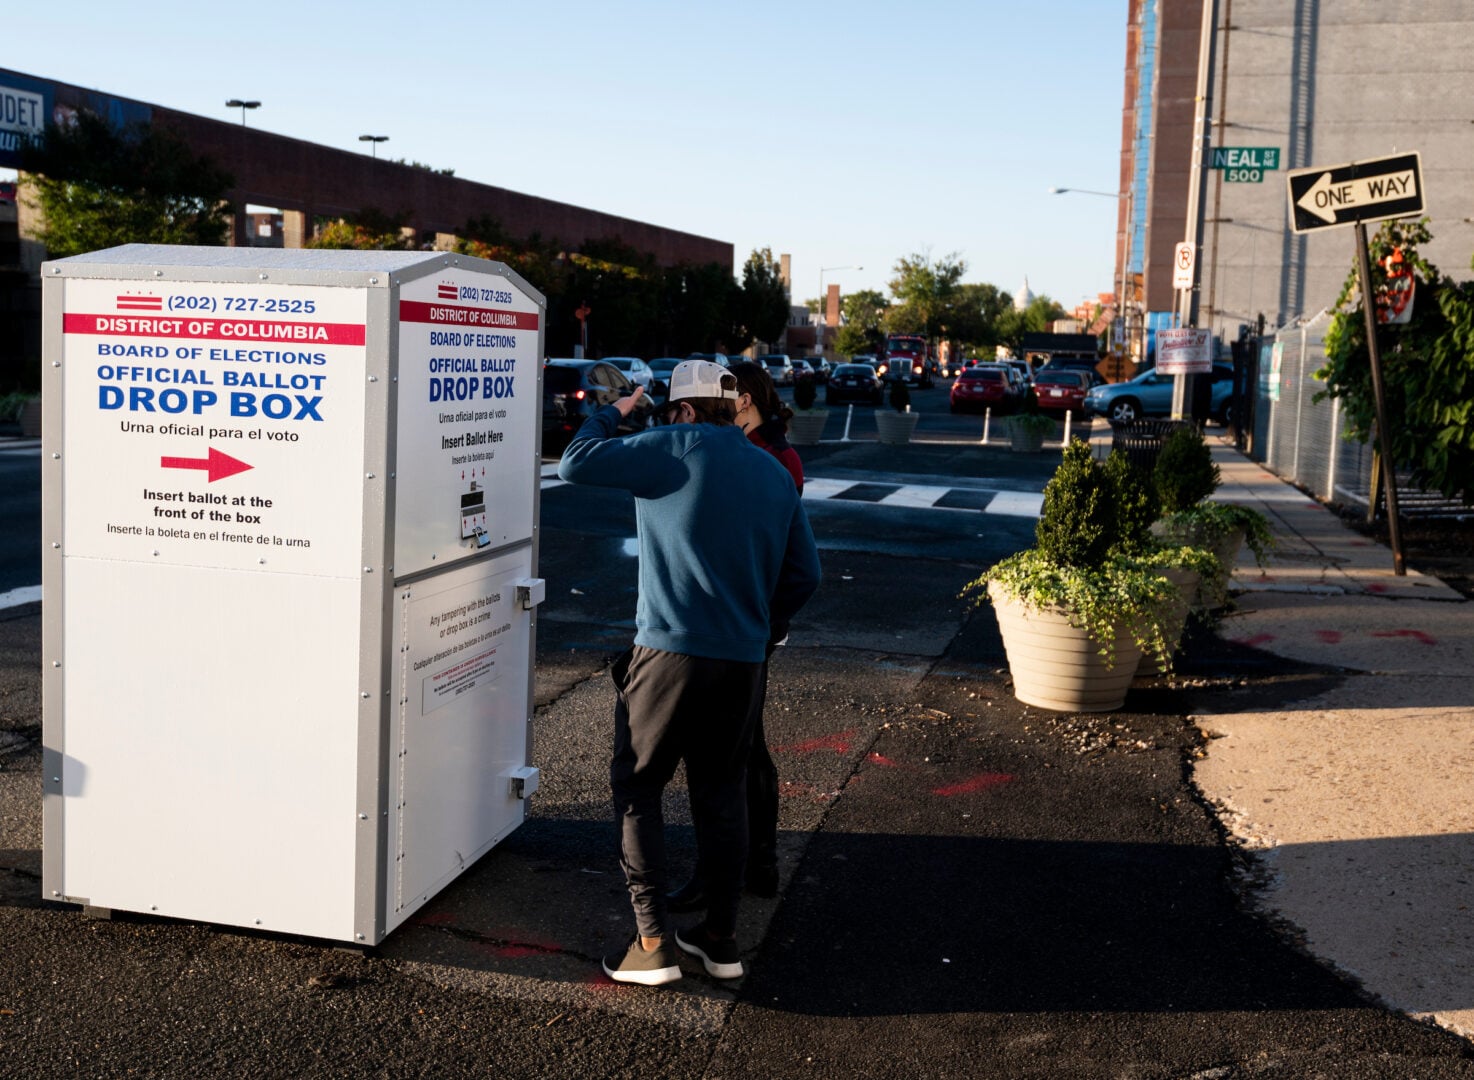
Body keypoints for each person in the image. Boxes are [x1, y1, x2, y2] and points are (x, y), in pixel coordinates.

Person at [557, 359, 821, 987]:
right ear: (734, 408)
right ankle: (720, 941)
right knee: (721, 792)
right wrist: (762, 625)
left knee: (639, 788)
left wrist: (620, 409)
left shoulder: (669, 447)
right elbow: (804, 574)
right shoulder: (772, 471)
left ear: (683, 409)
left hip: (668, 653)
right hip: (743, 660)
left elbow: (575, 459)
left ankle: (652, 944)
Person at [667, 362, 799, 916]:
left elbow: (784, 553)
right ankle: (755, 864)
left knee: (726, 755)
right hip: (756, 621)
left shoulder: (763, 460)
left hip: (737, 623)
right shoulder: (779, 457)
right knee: (745, 748)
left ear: (742, 400)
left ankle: (732, 872)